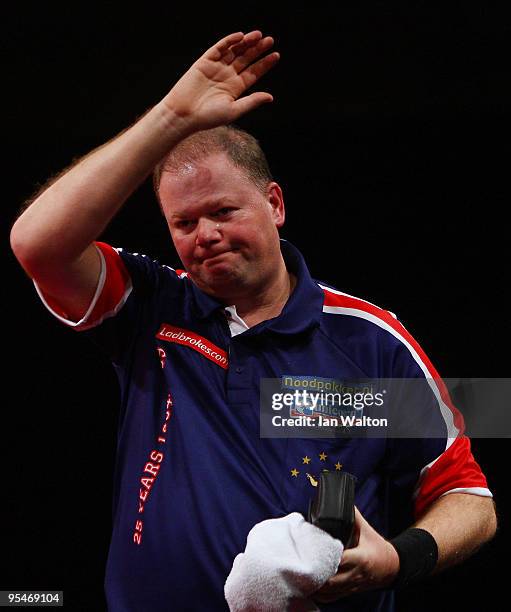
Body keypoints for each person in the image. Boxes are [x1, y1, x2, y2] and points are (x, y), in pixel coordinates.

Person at [10, 30, 496, 611]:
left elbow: (469, 497)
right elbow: (36, 243)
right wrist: (170, 117)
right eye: (184, 223)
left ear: (275, 204)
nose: (206, 234)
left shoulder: (367, 343)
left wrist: (398, 559)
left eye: (223, 210)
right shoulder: (150, 309)